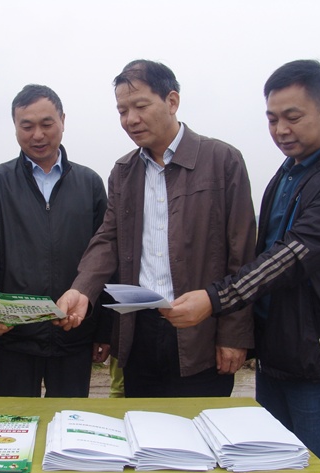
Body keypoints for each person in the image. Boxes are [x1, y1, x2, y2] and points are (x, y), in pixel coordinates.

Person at [122, 59, 320, 472]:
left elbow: (290, 257)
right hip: (279, 354)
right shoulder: (287, 174)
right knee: (274, 463)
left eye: (292, 117)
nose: (281, 130)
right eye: (272, 119)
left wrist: (214, 299)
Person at [56, 60, 257, 398]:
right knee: (142, 424)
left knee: (199, 426)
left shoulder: (222, 160)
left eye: (140, 106)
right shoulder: (124, 172)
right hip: (140, 328)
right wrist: (82, 290)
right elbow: (108, 239)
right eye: (122, 111)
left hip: (201, 325)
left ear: (172, 101)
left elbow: (242, 253)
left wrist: (233, 334)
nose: (130, 119)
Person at [0, 84, 109, 397]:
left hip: (73, 331)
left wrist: (104, 329)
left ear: (63, 121)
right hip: (13, 335)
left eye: (47, 124)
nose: (37, 135)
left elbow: (104, 254)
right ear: (15, 126)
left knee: (70, 420)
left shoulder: (90, 184)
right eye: (27, 126)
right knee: (12, 422)